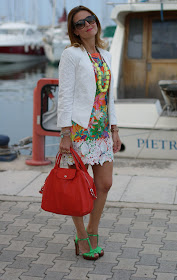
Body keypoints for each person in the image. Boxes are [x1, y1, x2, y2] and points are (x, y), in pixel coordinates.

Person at [57, 5, 121, 261]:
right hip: (80, 131)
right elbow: (65, 94)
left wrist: (115, 129)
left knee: (104, 184)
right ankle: (82, 235)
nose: (86, 25)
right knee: (77, 187)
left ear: (96, 22)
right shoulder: (71, 54)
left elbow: (109, 97)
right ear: (74, 31)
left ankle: (94, 229)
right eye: (79, 24)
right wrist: (65, 133)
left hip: (102, 131)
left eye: (89, 20)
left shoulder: (105, 54)